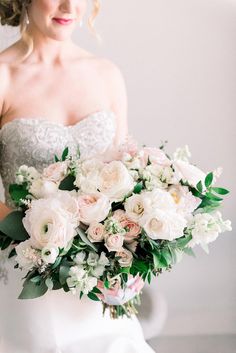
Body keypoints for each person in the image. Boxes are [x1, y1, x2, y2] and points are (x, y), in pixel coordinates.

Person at [0, 1, 156, 352]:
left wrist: (127, 256)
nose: (70, 5)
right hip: (28, 277)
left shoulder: (106, 74)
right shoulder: (3, 75)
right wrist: (47, 241)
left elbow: (128, 178)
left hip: (98, 281)